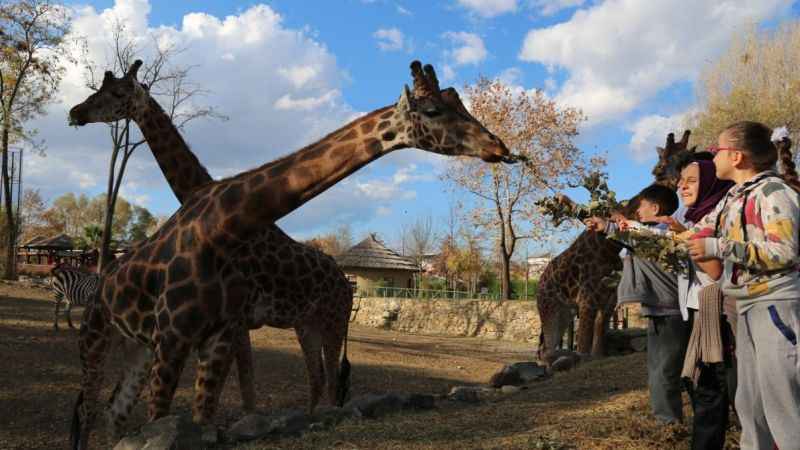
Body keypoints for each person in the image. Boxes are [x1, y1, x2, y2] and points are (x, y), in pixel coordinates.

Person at [683, 121, 800, 450]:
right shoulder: (731, 200)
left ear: (736, 156)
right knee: (750, 405)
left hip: (775, 306)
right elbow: (689, 235)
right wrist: (615, 227)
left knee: (783, 407)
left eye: (718, 150)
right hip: (748, 308)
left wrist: (718, 248)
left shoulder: (774, 193)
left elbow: (784, 252)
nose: (714, 156)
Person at [586, 184, 687, 424]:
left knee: (664, 373)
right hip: (659, 312)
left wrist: (609, 226)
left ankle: (669, 425)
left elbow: (637, 236)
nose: (638, 211)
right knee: (659, 372)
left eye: (641, 206)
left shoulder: (663, 235)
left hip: (670, 314)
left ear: (655, 207)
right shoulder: (649, 233)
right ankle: (667, 420)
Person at [657, 152, 735, 450]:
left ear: (711, 183)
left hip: (717, 314)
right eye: (680, 182)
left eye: (691, 181)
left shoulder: (717, 219)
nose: (682, 188)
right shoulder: (691, 218)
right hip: (696, 311)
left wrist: (686, 236)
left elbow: (715, 271)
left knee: (711, 391)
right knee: (703, 389)